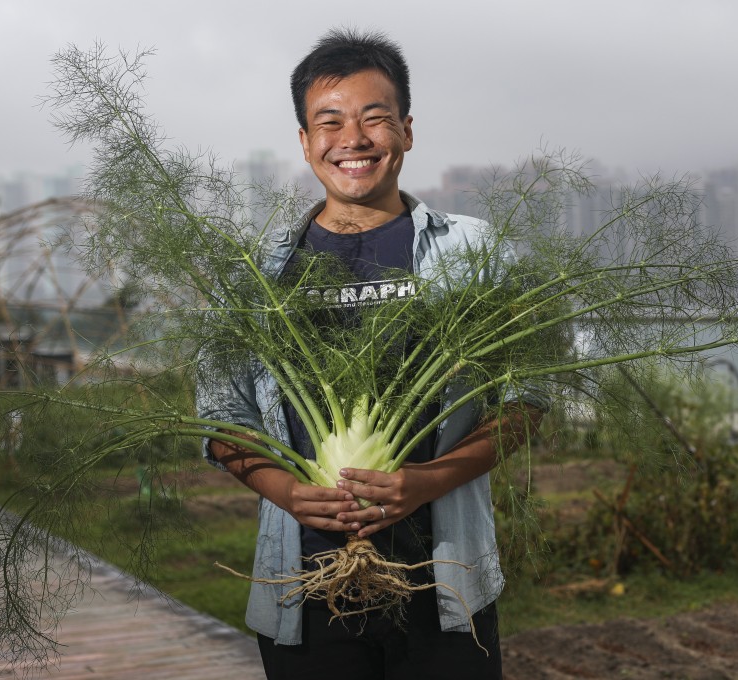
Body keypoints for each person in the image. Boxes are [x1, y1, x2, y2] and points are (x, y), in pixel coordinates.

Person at [200, 28, 537, 680]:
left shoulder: (475, 251)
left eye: (374, 118)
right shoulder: (258, 273)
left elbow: (527, 399)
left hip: (441, 585)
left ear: (406, 131)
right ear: (305, 141)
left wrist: (425, 482)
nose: (352, 139)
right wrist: (290, 494)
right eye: (329, 122)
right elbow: (222, 421)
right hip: (306, 587)